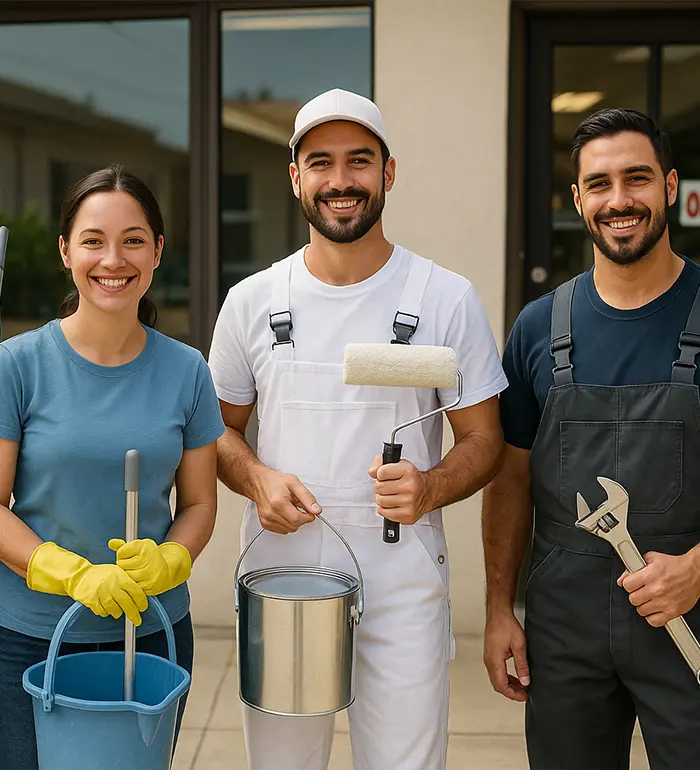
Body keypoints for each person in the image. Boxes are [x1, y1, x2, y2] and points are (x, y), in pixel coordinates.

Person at [209, 88, 507, 770]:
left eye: (359, 161)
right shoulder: (252, 302)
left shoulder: (444, 297)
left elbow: (485, 441)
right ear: (296, 177)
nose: (340, 180)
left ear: (388, 172)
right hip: (282, 573)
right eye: (321, 162)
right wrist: (257, 479)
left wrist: (430, 486)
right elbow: (217, 432)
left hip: (401, 579)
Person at [482, 108, 700, 770]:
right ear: (577, 199)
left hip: (689, 615)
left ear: (669, 185)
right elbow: (510, 479)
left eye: (637, 178)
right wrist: (499, 609)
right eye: (599, 184)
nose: (619, 200)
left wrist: (699, 568)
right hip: (565, 629)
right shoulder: (538, 327)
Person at [0, 165, 225, 770]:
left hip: (149, 636)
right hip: (28, 640)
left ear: (157, 251)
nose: (113, 260)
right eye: (93, 241)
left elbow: (200, 504)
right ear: (65, 251)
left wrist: (171, 558)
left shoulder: (187, 371)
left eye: (133, 240)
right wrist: (68, 573)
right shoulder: (16, 366)